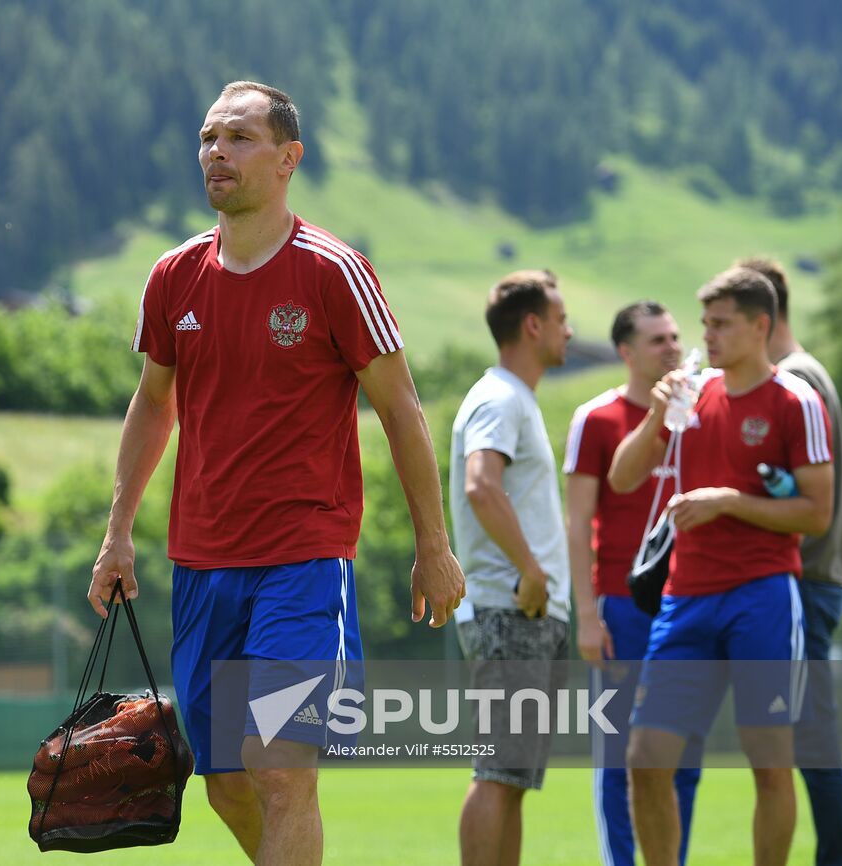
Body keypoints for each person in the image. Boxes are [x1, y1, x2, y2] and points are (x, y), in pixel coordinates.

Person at [87, 81, 465, 866]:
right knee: (226, 783)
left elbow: (401, 410)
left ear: (289, 158)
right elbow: (153, 403)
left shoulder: (335, 271)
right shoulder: (173, 276)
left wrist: (434, 545)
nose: (216, 153)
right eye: (208, 138)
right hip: (201, 565)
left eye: (239, 138)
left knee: (280, 765)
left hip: (303, 562)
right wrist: (117, 533)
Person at [609, 267, 833, 866]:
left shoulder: (796, 400)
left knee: (769, 764)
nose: (705, 335)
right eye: (705, 323)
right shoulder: (691, 393)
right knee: (645, 759)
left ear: (760, 326)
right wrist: (655, 417)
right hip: (685, 599)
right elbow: (623, 478)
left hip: (763, 597)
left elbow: (817, 513)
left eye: (721, 324)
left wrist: (729, 501)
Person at [563, 301, 701, 866]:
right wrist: (587, 615)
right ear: (625, 351)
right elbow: (577, 523)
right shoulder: (596, 418)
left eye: (674, 336)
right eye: (656, 340)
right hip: (621, 607)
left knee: (683, 756)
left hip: (688, 605)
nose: (672, 348)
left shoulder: (699, 413)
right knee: (619, 756)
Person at [449, 269, 574, 866]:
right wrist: (531, 569)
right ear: (533, 325)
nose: (569, 331)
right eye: (561, 319)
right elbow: (481, 485)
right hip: (510, 608)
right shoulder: (499, 396)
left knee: (513, 778)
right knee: (498, 771)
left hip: (526, 612)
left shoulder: (514, 398)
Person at [741, 256, 842, 866]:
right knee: (807, 732)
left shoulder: (795, 380)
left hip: (804, 576)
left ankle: (837, 855)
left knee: (809, 734)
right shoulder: (805, 371)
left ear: (762, 315)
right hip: (817, 576)